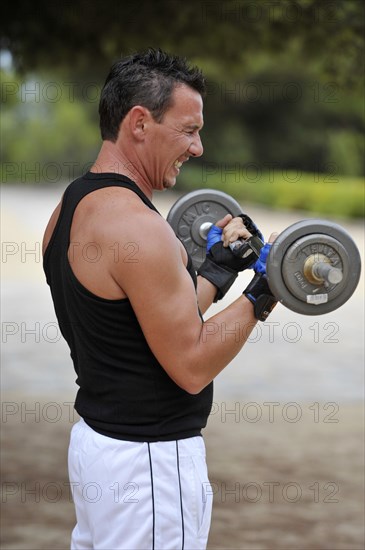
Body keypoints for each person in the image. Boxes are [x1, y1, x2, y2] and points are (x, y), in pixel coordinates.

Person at [42, 49, 277, 550]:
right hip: (148, 465)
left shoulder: (71, 207)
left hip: (99, 448)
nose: (198, 147)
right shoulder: (139, 229)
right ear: (140, 123)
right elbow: (190, 364)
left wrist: (217, 272)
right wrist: (267, 289)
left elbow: (142, 321)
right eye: (188, 130)